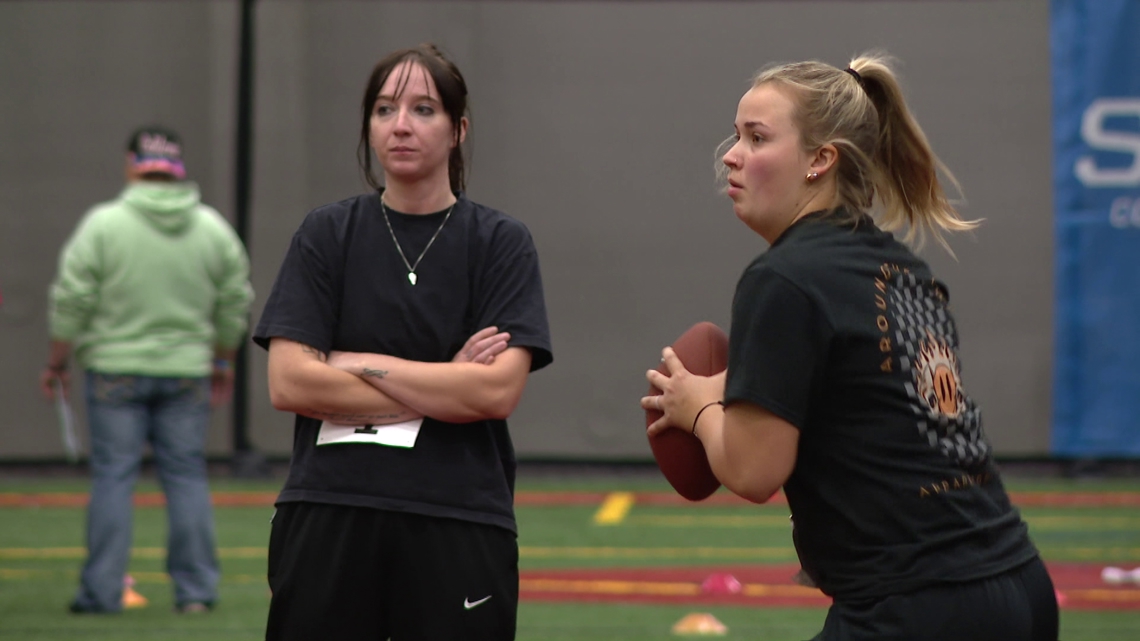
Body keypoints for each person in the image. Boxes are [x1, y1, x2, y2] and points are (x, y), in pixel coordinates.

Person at [642, 54, 1058, 641]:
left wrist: (699, 407)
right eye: (735, 136)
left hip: (919, 605)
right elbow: (885, 424)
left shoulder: (783, 279)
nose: (731, 156)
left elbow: (755, 471)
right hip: (1017, 584)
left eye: (757, 138)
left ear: (821, 159)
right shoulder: (902, 266)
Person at [253, 43, 552, 641]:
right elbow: (290, 382)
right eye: (385, 110)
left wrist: (357, 363)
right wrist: (446, 381)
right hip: (328, 507)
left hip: (458, 514)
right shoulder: (326, 234)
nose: (401, 126)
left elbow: (493, 392)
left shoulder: (500, 243)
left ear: (458, 128)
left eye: (423, 109)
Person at [42, 125, 254, 614]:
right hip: (187, 371)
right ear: (177, 166)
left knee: (114, 478)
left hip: (113, 369)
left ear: (131, 164)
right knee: (186, 478)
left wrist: (57, 362)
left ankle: (101, 592)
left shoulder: (103, 225)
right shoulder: (211, 228)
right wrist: (222, 359)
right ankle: (196, 594)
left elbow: (70, 299)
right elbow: (234, 302)